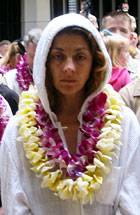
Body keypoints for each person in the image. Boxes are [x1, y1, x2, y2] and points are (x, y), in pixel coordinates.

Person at [1, 13, 140, 215]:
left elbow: (132, 203)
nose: (68, 67)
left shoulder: (125, 124)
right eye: (58, 56)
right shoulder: (18, 132)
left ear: (95, 62)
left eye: (80, 57)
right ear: (45, 63)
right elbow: (16, 207)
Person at [2, 28, 42, 96]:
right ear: (26, 52)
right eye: (33, 56)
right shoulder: (10, 79)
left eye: (41, 56)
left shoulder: (55, 77)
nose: (37, 61)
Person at [101, 10, 140, 80]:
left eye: (123, 31)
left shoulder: (138, 69)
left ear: (131, 37)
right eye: (111, 30)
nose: (117, 35)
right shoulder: (92, 68)